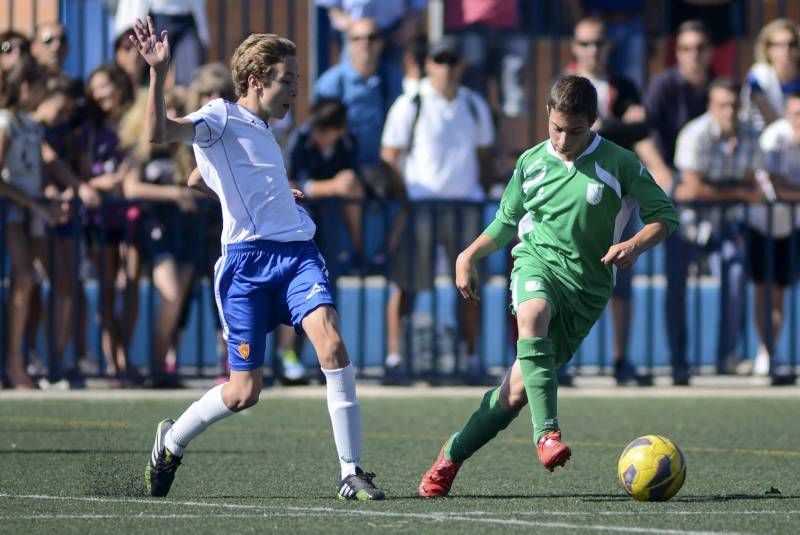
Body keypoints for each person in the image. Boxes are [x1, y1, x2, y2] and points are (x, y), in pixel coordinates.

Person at [131, 16, 384, 500]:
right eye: (286, 81)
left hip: (297, 256)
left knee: (330, 343)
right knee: (243, 392)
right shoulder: (220, 116)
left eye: (297, 82)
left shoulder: (265, 128)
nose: (294, 92)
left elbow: (200, 181)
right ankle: (172, 440)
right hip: (245, 267)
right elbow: (161, 134)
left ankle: (351, 471)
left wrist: (273, 196)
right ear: (255, 80)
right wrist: (159, 73)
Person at [417, 75, 678, 497]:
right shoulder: (531, 162)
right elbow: (505, 224)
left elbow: (665, 217)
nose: (562, 138)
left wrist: (634, 244)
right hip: (536, 263)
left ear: (593, 122)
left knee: (515, 393)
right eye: (556, 127)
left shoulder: (620, 163)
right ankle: (547, 436)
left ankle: (450, 457)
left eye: (574, 131)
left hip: (587, 291)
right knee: (532, 313)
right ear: (547, 116)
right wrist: (468, 255)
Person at [380, 36, 494, 381]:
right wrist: (408, 197)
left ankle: (472, 360)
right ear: (428, 64)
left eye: (451, 60)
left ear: (461, 65)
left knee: (470, 286)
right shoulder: (409, 103)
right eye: (439, 60)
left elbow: (485, 156)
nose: (445, 67)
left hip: (465, 206)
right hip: (421, 207)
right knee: (405, 284)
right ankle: (395, 360)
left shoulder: (474, 105)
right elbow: (389, 157)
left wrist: (479, 191)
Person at [672, 78, 764, 381]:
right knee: (677, 288)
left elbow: (753, 188)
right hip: (685, 223)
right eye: (723, 105)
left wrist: (717, 190)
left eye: (734, 105)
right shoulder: (694, 134)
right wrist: (735, 191)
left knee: (736, 272)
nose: (729, 111)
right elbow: (691, 189)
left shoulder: (750, 136)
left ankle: (727, 355)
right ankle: (679, 362)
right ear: (711, 107)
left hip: (723, 225)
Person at [742, 92, 800, 381]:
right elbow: (775, 188)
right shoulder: (774, 138)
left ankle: (770, 351)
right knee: (762, 290)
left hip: (790, 226)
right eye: (796, 114)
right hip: (761, 225)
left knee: (779, 292)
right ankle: (763, 350)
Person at [740, 18, 800, 132]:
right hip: (762, 137)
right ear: (768, 49)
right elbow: (771, 121)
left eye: (792, 44)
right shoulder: (759, 76)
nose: (786, 50)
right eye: (779, 45)